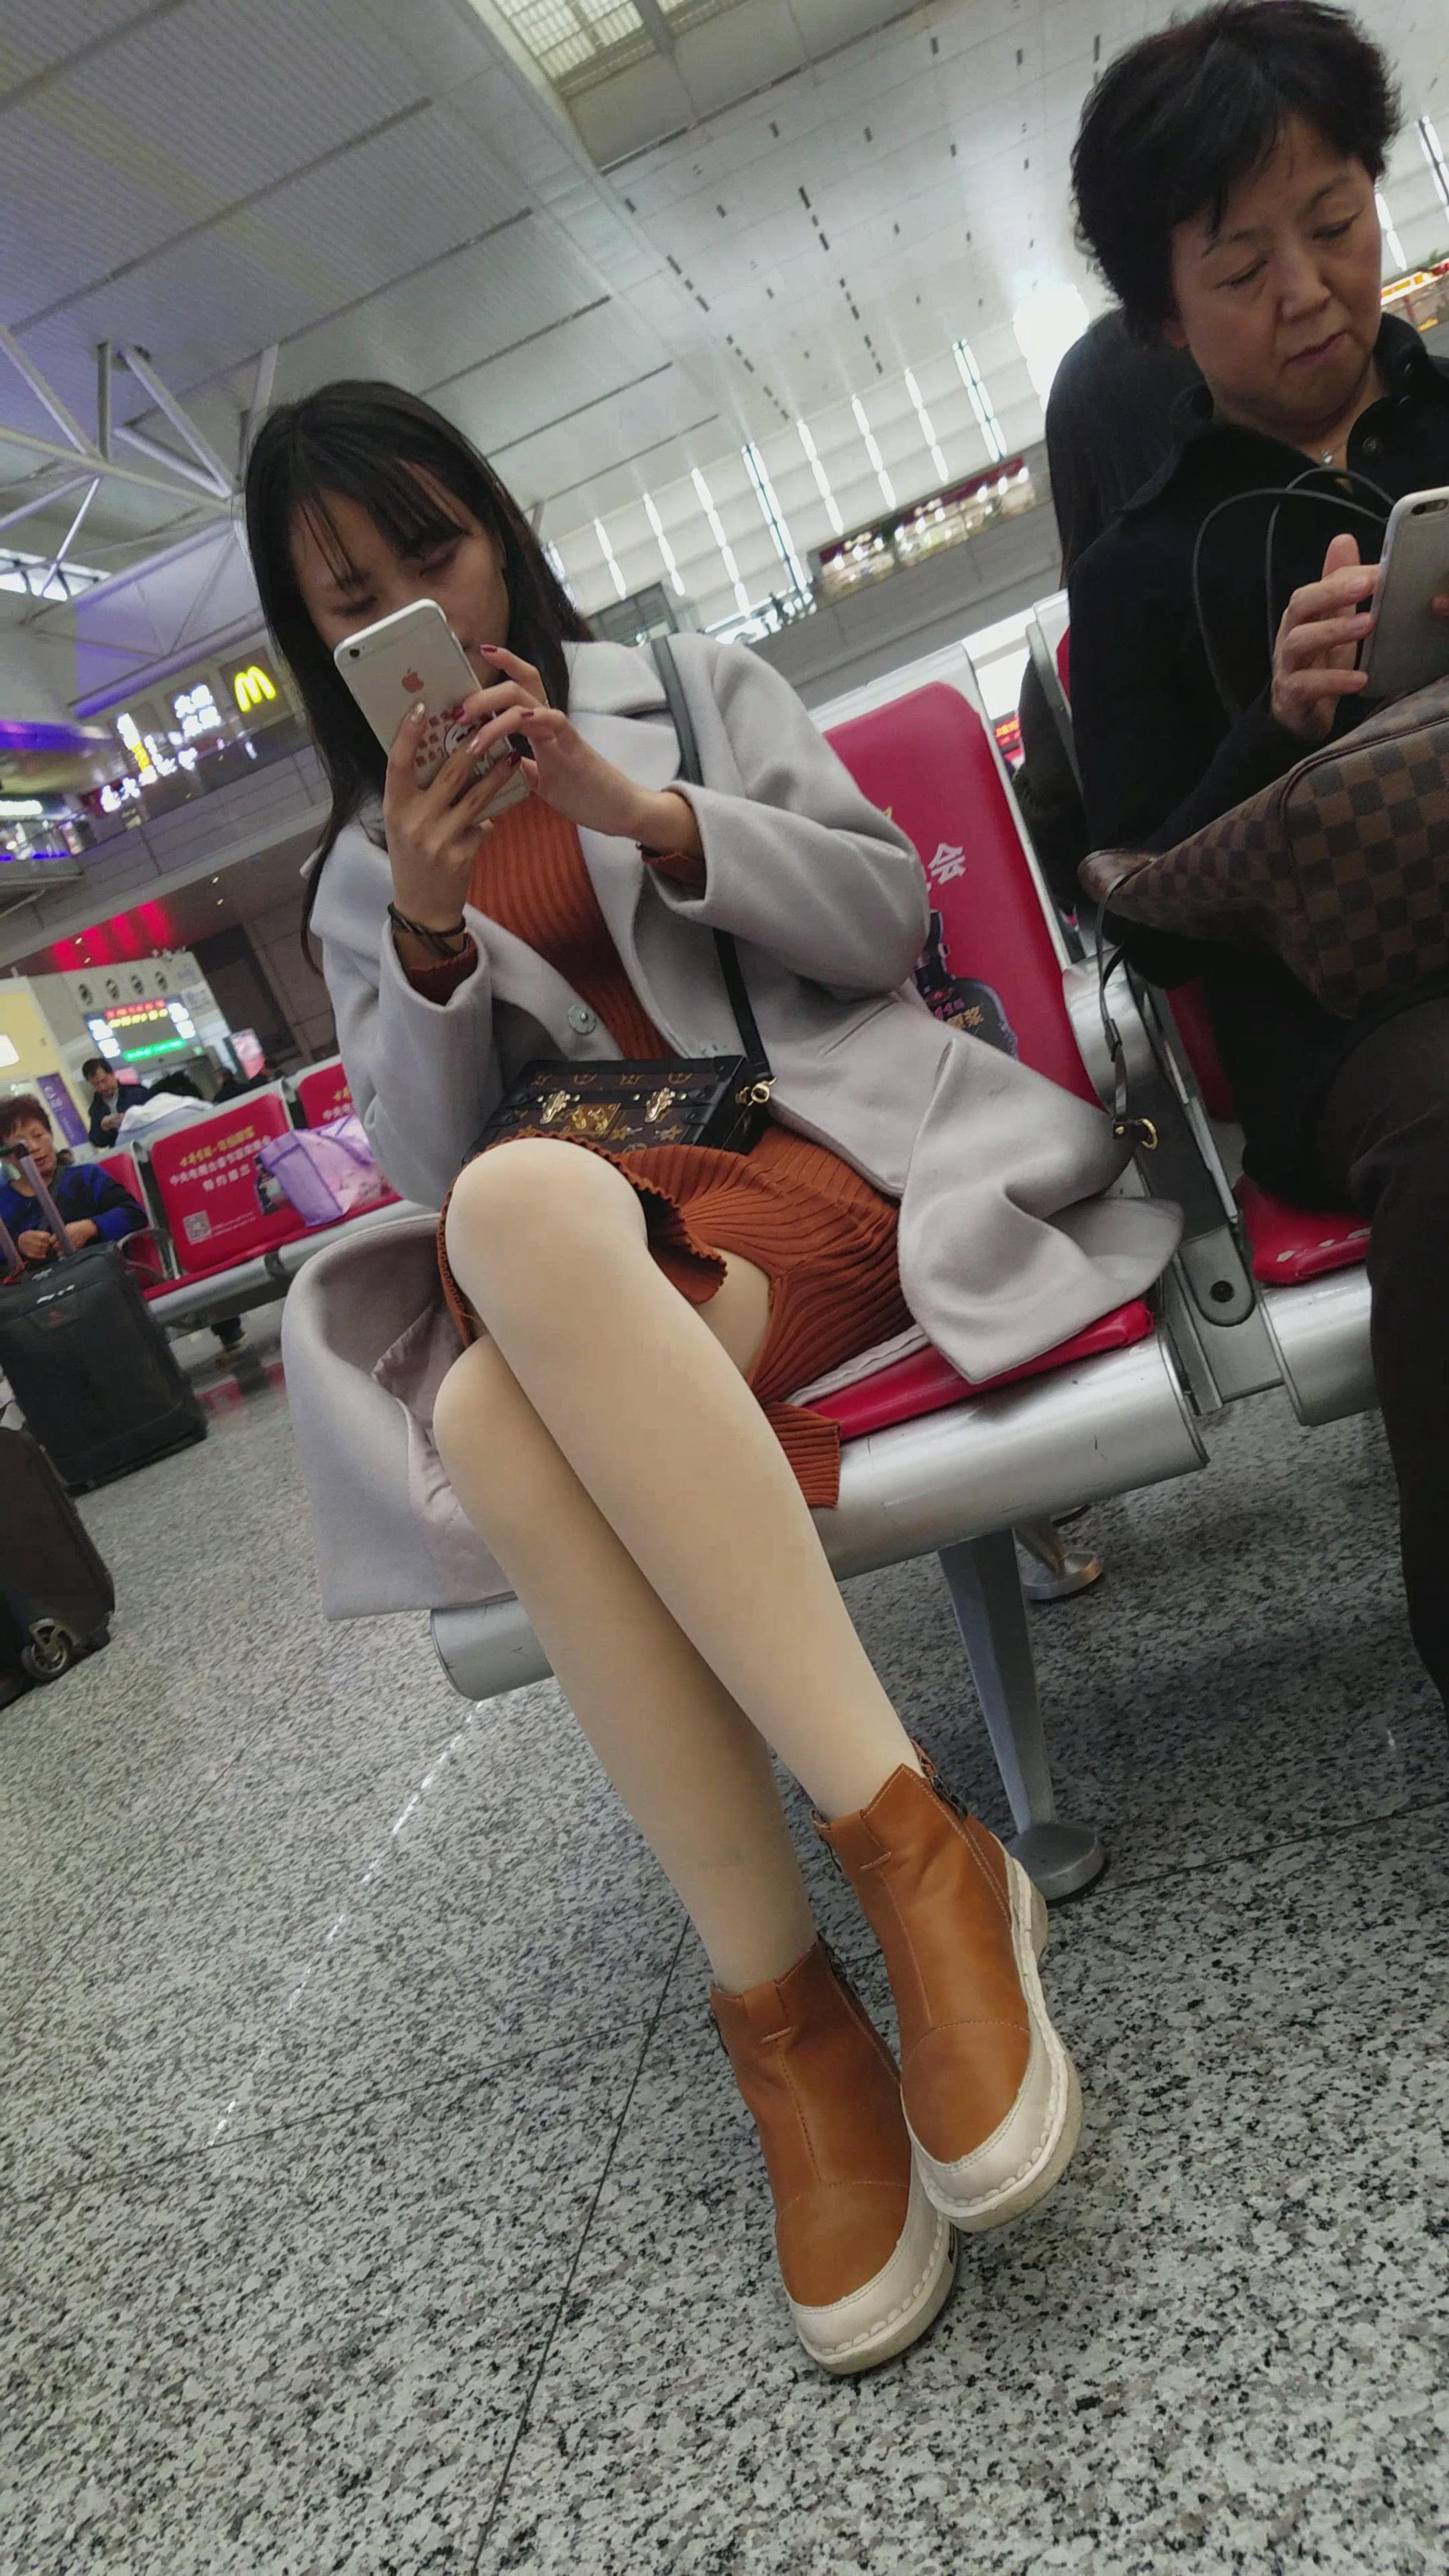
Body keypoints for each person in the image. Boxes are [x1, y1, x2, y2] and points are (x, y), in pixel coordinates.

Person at [244, 380, 1177, 2371]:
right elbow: (422, 1165)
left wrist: (642, 812)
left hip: (819, 1158)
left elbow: (887, 913)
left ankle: (832, 1961)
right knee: (500, 1314)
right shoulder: (359, 873)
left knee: (509, 1307)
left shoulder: (679, 690)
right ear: (314, 641)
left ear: (499, 530)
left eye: (433, 549)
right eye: (350, 595)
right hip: (598, 1251)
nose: (413, 608)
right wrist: (428, 932)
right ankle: (842, 1949)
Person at [1068, 0, 1449, 1707]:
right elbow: (1146, 917)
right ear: (1162, 312)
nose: (1308, 291)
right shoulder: (1141, 573)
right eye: (1240, 267)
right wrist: (1274, 727)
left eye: (1336, 223)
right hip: (1347, 1038)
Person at [0, 1094, 146, 1263]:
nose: (34, 1147)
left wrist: (91, 1227)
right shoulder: (4, 1203)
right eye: (21, 1145)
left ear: (50, 1134)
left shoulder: (87, 1177)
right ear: (6, 1157)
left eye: (38, 1135)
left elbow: (135, 1214)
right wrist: (17, 1245)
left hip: (100, 1272)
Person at [82, 1056, 145, 1149]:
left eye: (104, 1081)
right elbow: (97, 1141)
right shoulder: (96, 1109)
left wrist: (130, 1117)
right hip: (122, 1150)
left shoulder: (137, 1093)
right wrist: (103, 1129)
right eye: (96, 1084)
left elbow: (154, 1113)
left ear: (112, 1074)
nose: (102, 1087)